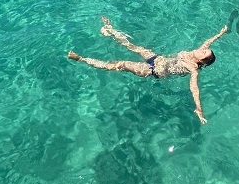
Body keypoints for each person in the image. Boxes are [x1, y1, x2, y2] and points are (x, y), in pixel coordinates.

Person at [68, 17, 228, 123]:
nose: (202, 49)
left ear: (201, 61)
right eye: (203, 49)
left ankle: (82, 59)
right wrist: (220, 33)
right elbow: (208, 43)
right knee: (132, 46)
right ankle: (110, 29)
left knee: (121, 64)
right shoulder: (197, 53)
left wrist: (199, 108)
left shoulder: (193, 68)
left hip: (151, 70)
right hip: (157, 58)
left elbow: (194, 88)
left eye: (203, 53)